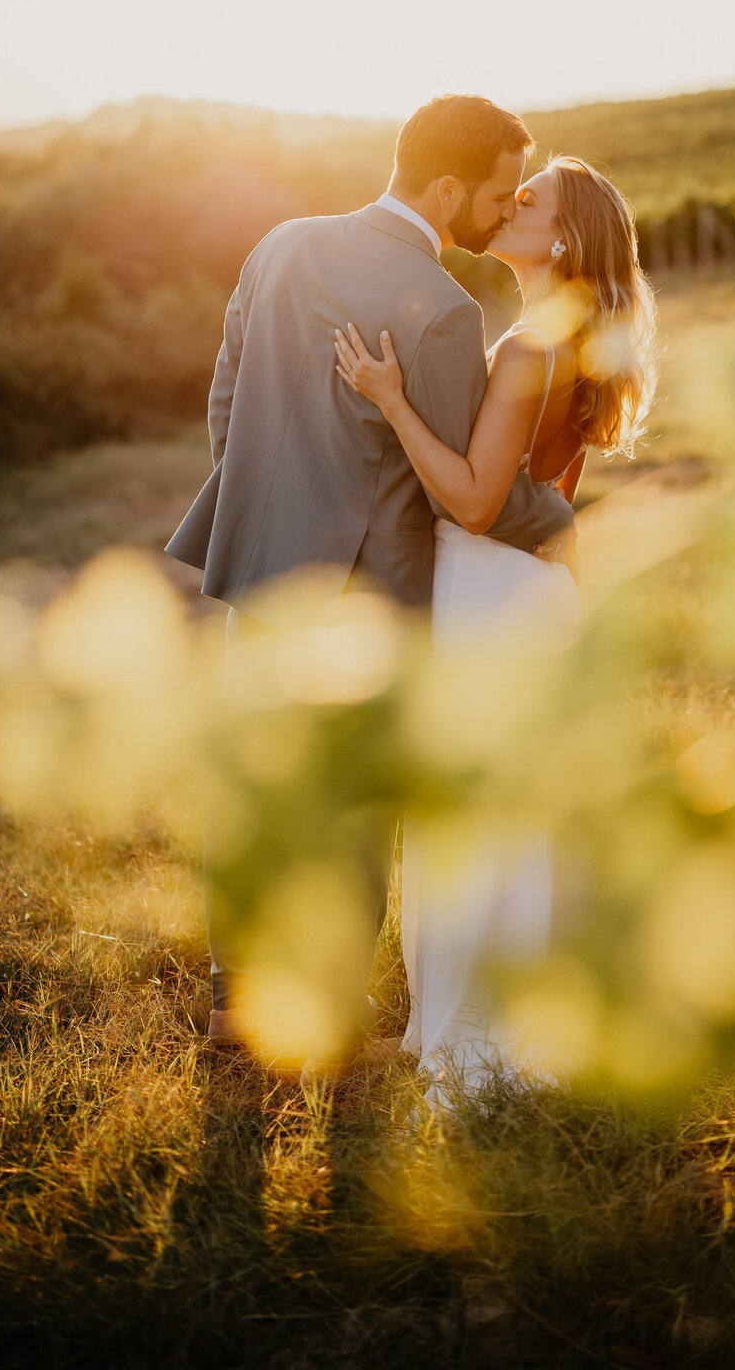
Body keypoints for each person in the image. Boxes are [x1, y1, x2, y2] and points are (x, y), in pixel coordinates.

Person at [166, 94, 574, 1070]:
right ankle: (330, 1026)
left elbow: (226, 396)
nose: (504, 208)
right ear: (444, 191)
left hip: (260, 573)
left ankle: (233, 1007)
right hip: (365, 602)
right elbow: (465, 489)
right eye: (495, 193)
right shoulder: (442, 309)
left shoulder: (281, 246)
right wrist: (560, 515)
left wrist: (269, 505)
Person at [333, 154, 658, 1107]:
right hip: (534, 599)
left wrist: (389, 400)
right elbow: (548, 500)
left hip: (488, 594)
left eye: (528, 202)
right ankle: (494, 1016)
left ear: (558, 238)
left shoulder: (526, 348)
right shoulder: (585, 342)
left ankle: (477, 1042)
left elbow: (476, 502)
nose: (509, 209)